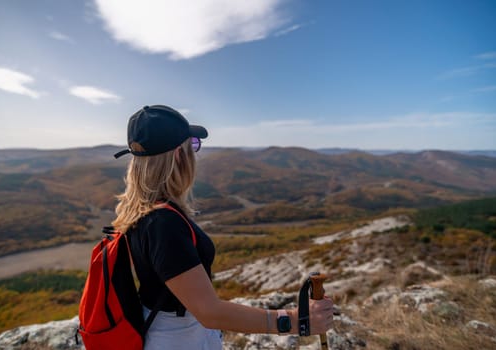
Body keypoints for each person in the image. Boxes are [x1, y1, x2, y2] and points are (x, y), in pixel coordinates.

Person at [112, 105, 334, 349]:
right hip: (180, 339)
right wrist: (294, 321)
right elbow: (209, 312)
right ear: (178, 155)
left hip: (167, 331)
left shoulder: (144, 211)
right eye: (193, 145)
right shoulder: (163, 223)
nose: (194, 154)